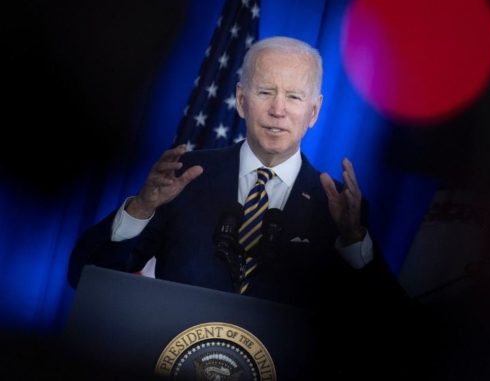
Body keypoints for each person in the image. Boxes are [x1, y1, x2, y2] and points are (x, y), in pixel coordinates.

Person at [68, 36, 421, 379]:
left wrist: (354, 242)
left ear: (313, 112)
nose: (278, 110)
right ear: (241, 100)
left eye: (294, 96)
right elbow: (82, 276)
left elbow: (390, 330)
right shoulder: (185, 178)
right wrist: (141, 209)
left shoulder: (340, 209)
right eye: (266, 92)